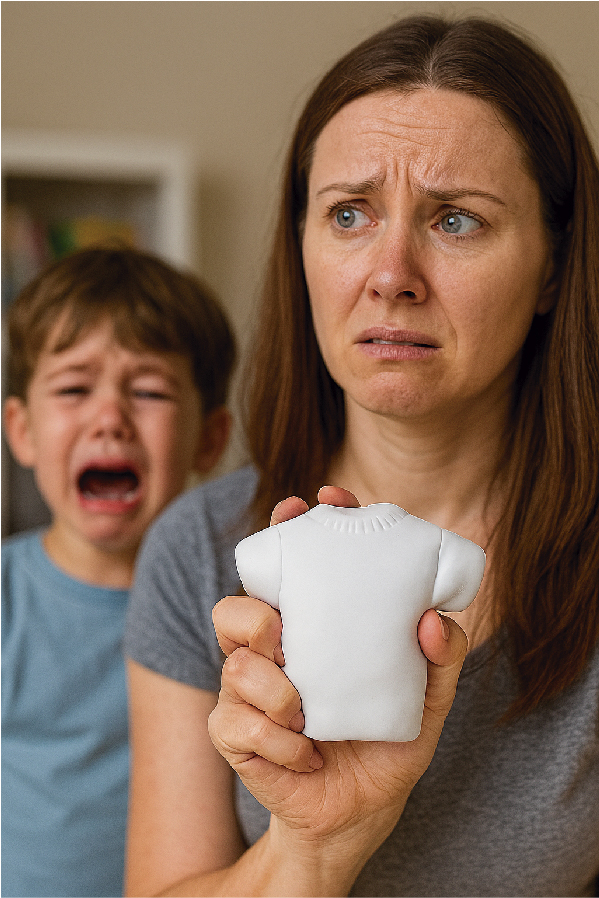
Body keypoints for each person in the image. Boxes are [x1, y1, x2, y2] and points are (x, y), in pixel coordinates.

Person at [124, 15, 599, 898]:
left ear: (550, 266)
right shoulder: (198, 549)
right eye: (348, 213)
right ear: (299, 244)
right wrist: (310, 847)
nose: (390, 273)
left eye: (455, 219)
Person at [1, 245, 236, 898]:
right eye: (74, 389)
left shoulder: (236, 612)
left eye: (150, 391)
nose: (109, 420)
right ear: (21, 431)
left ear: (209, 440)